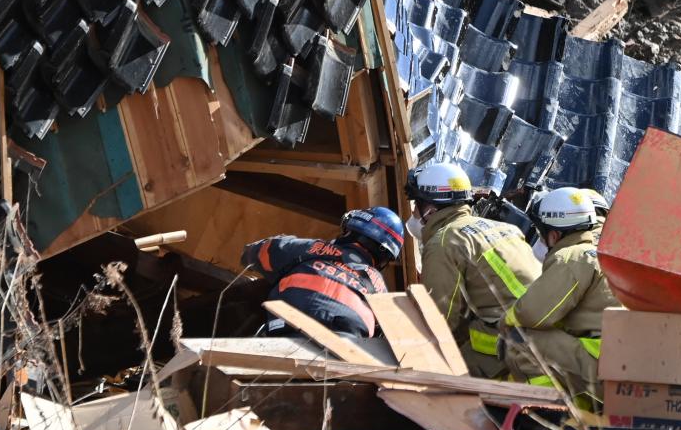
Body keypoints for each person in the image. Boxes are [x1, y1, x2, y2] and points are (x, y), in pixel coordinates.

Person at [408, 162, 543, 378]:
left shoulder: (443, 242)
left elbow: (439, 321)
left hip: (513, 347)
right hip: (549, 334)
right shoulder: (506, 228)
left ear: (430, 209)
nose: (413, 213)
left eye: (416, 206)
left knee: (439, 381)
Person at [502, 187, 620, 395]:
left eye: (541, 234)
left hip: (605, 365)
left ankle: (544, 412)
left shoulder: (572, 257)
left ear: (554, 235)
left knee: (520, 340)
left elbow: (532, 314)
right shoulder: (610, 251)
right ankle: (581, 407)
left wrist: (506, 320)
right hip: (623, 362)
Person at [242, 206, 402, 339]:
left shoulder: (312, 249)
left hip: (289, 335)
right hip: (348, 354)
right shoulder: (379, 287)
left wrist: (249, 255)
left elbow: (260, 252)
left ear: (350, 230)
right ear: (385, 256)